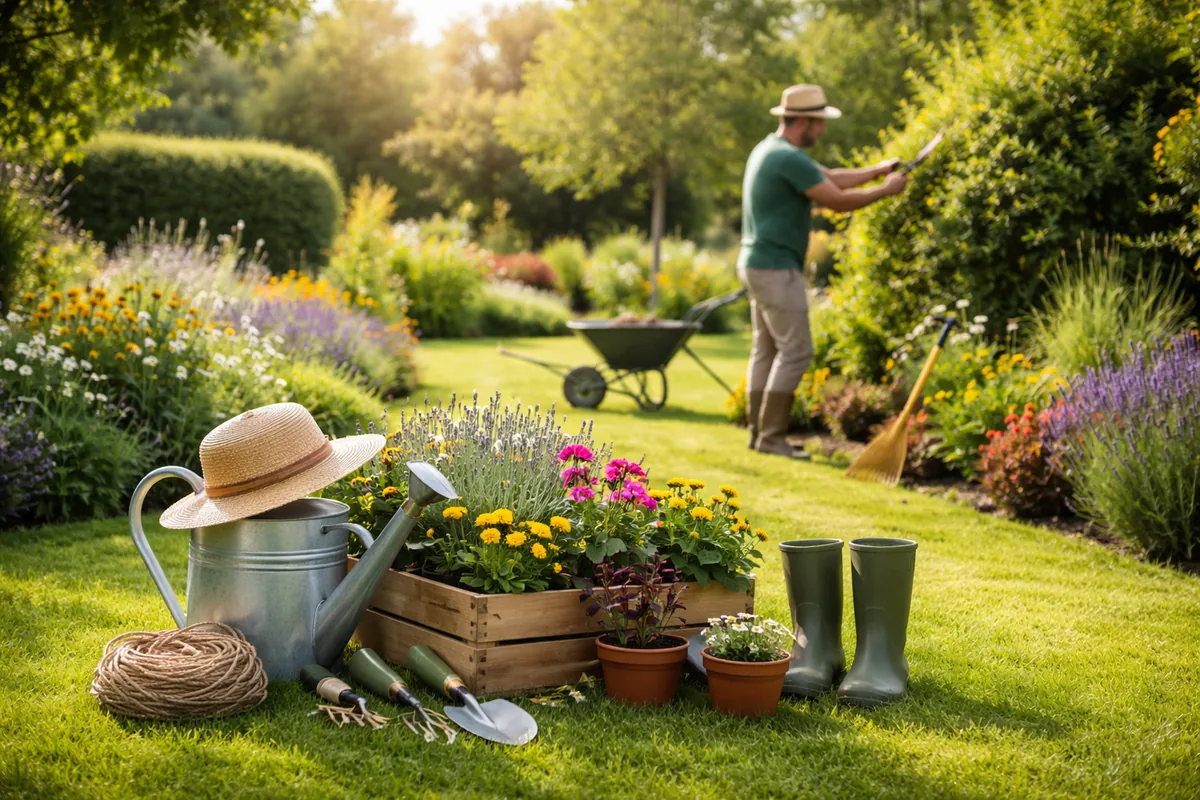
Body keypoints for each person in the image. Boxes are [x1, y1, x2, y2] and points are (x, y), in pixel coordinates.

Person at [738, 83, 909, 457]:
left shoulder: (771, 150)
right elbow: (837, 200)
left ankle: (758, 433)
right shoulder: (787, 157)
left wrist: (879, 170)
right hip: (776, 267)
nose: (823, 129)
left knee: (766, 350)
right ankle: (771, 437)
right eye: (819, 123)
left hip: (757, 263)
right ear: (802, 121)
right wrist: (886, 189)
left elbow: (831, 177)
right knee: (796, 350)